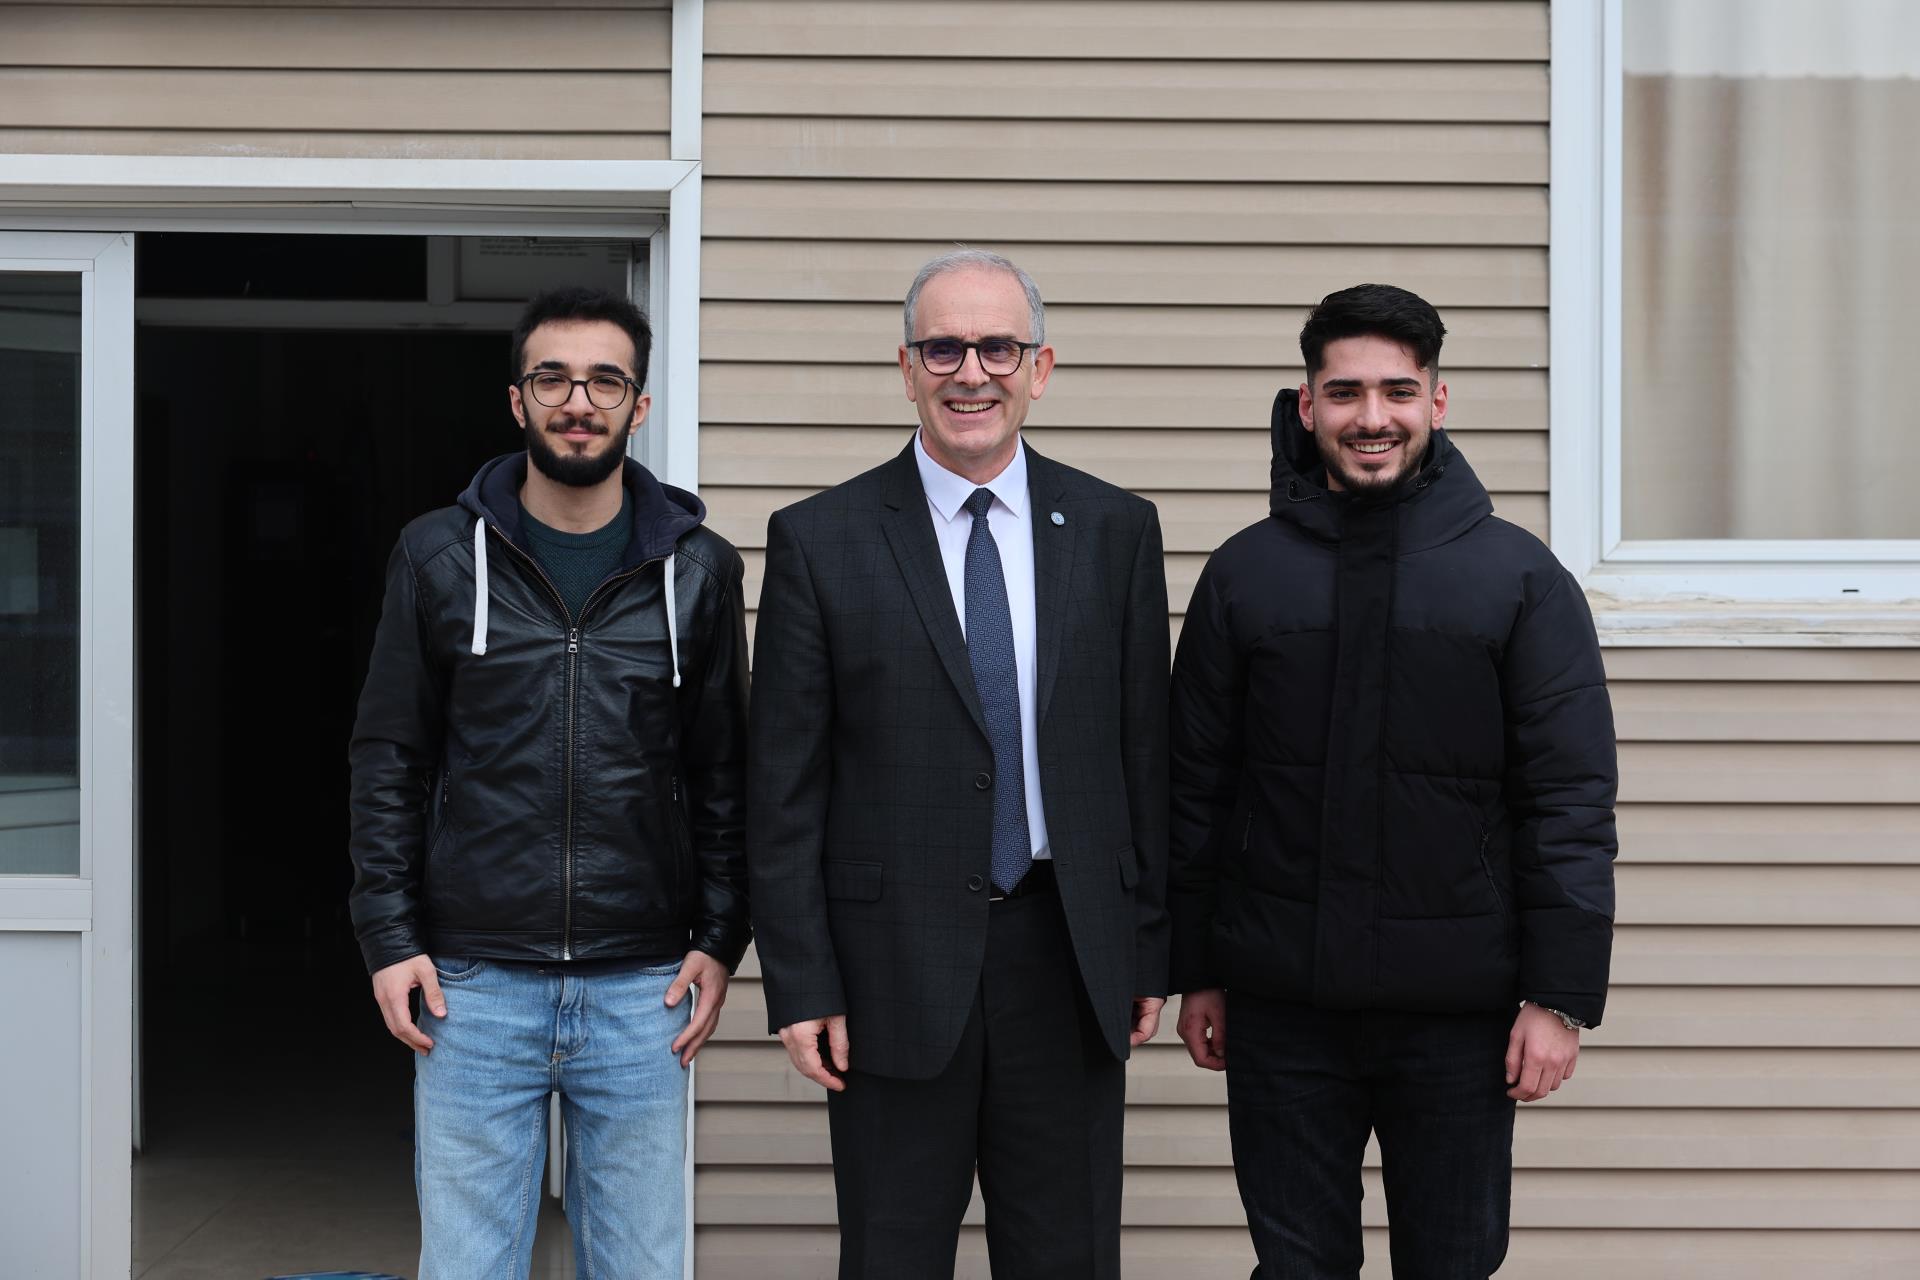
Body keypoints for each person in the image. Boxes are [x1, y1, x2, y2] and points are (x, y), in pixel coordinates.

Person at [1168, 284, 1618, 1279]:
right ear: (1307, 406)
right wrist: (1197, 967)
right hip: (1282, 1007)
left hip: (1459, 1016)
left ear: (1437, 401)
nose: (1372, 417)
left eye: (1397, 391)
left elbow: (1569, 801)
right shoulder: (1245, 575)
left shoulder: (1520, 580)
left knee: (1453, 1262)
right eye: (1346, 392)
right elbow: (1197, 788)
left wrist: (1559, 995)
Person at [747, 249, 1170, 1278]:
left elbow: (1142, 756)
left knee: (1067, 1259)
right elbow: (784, 791)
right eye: (943, 348)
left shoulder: (1115, 529)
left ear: (1040, 367)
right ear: (907, 368)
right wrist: (800, 980)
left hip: (1067, 957)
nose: (970, 372)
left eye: (997, 348)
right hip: (889, 969)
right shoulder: (820, 539)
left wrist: (1149, 947)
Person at [346, 286, 750, 1278]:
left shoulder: (698, 570)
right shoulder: (438, 557)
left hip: (642, 988)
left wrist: (719, 936)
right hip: (473, 986)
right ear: (517, 399)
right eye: (554, 379)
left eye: (605, 380)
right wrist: (390, 937)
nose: (579, 401)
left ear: (638, 405)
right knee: (468, 1265)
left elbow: (724, 772)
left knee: (641, 1266)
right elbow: (389, 756)